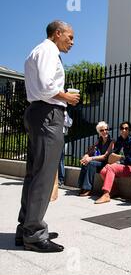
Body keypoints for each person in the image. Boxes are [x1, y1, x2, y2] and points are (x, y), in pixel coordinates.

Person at [16, 21, 79, 253]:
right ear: (57, 33)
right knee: (43, 175)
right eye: (70, 37)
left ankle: (26, 228)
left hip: (39, 112)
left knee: (34, 174)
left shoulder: (38, 50)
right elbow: (45, 86)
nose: (72, 42)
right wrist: (67, 97)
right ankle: (33, 233)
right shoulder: (48, 50)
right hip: (47, 114)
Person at [96, 121, 131, 204]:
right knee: (103, 171)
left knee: (110, 167)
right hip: (120, 166)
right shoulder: (119, 140)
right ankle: (114, 190)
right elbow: (113, 153)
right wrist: (115, 158)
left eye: (126, 128)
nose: (124, 130)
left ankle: (106, 194)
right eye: (122, 128)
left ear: (129, 130)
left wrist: (120, 160)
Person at [78, 121, 114, 197]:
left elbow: (105, 156)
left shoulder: (111, 142)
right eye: (102, 130)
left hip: (105, 163)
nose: (104, 131)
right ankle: (81, 186)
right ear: (99, 132)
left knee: (90, 163)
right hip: (98, 163)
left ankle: (88, 188)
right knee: (85, 162)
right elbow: (91, 151)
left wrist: (90, 158)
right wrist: (86, 156)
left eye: (106, 129)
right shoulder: (99, 141)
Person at [58, 110, 73, 187]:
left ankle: (60, 179)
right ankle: (60, 179)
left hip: (60, 134)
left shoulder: (64, 112)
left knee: (60, 157)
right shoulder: (63, 112)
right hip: (57, 133)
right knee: (59, 158)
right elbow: (69, 123)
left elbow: (69, 123)